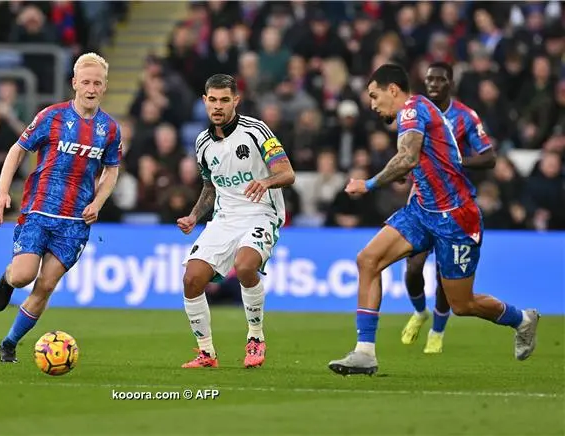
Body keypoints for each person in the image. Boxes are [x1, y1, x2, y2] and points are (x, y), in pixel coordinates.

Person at [328, 64, 539, 376]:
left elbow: (407, 157)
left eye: (374, 96)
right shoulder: (415, 111)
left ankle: (522, 319)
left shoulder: (412, 110)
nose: (372, 104)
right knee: (368, 260)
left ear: (393, 90)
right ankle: (365, 353)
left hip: (456, 217)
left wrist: (368, 183)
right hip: (423, 211)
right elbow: (415, 160)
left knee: (462, 304)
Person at [0, 53, 121, 363]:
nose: (91, 88)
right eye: (86, 82)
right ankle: (6, 279)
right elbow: (18, 150)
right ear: (75, 83)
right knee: (24, 276)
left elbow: (111, 170)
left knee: (46, 285)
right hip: (39, 211)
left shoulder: (110, 129)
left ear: (104, 87)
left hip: (75, 222)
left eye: (97, 83)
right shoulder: (52, 117)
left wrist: (97, 202)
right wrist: (2, 192)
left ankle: (9, 343)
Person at [177, 74, 295, 369]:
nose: (218, 106)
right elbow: (209, 186)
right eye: (213, 100)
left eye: (224, 100)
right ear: (205, 101)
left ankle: (255, 337)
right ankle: (206, 354)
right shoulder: (202, 143)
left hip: (260, 213)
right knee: (192, 279)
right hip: (224, 218)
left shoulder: (256, 130)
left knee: (245, 266)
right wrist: (194, 215)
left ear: (236, 101)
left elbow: (287, 173)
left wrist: (266, 182)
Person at [401, 62, 497, 354]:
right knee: (414, 265)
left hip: (454, 205)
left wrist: (456, 162)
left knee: (445, 273)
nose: (433, 84)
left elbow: (489, 157)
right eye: (429, 79)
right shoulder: (416, 112)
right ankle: (419, 312)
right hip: (421, 198)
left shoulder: (466, 117)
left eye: (440, 79)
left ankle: (438, 331)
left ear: (450, 83)